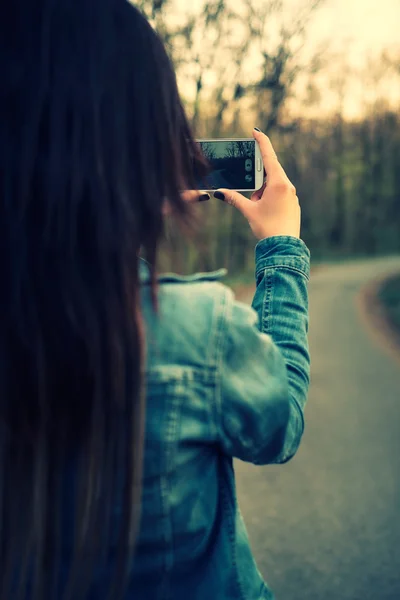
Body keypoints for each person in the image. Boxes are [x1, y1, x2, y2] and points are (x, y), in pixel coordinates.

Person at [0, 1, 310, 599]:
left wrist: (118, 230)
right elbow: (281, 424)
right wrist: (281, 248)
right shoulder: (198, 331)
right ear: (144, 145)